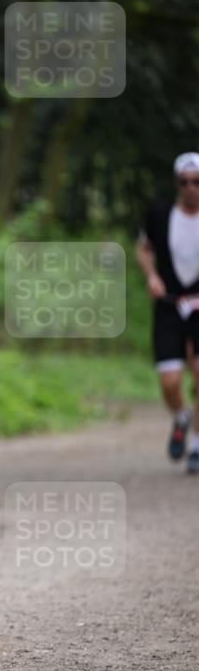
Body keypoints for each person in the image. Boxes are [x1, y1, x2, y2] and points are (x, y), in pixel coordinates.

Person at [135, 152, 199, 474]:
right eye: (184, 182)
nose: (190, 188)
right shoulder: (160, 215)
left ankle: (197, 446)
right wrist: (152, 276)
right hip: (169, 305)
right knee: (170, 381)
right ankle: (181, 415)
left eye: (196, 182)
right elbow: (143, 248)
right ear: (177, 184)